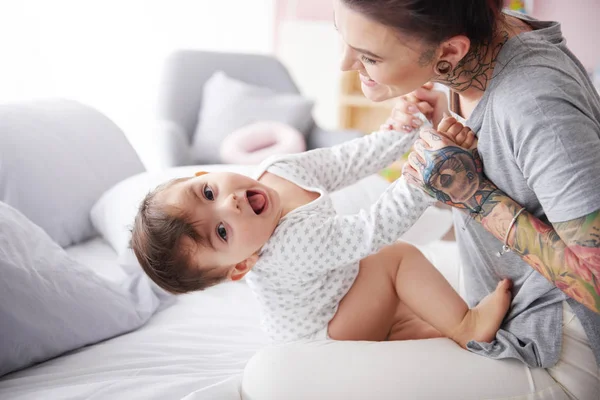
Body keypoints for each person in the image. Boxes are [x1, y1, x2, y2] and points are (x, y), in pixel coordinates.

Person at [333, 0, 600, 398]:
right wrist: (450, 120)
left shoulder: (534, 104)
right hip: (505, 299)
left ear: (450, 52)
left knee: (275, 376)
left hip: (556, 348)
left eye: (369, 56)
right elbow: (511, 142)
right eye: (343, 38)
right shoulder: (486, 31)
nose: (344, 64)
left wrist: (472, 193)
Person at [130, 112, 514, 349]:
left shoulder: (277, 169)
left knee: (398, 301)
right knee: (395, 259)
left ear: (203, 173)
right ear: (243, 266)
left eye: (208, 192)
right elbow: (373, 229)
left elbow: (341, 161)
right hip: (328, 330)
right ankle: (467, 326)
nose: (227, 204)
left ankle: (404, 329)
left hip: (336, 291)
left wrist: (404, 133)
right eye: (222, 233)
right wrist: (422, 176)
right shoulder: (288, 246)